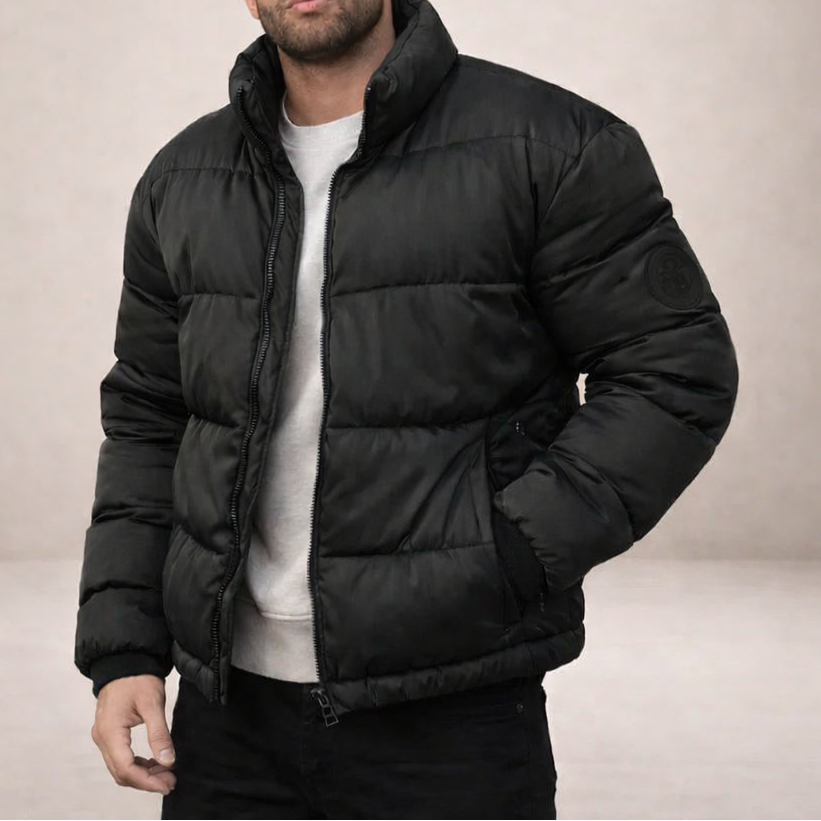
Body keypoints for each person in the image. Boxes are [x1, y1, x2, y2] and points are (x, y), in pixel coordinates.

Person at [74, 0, 739, 818]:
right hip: (226, 718)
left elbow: (674, 370)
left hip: (450, 713)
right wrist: (125, 648)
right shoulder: (182, 177)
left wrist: (509, 554)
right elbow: (148, 418)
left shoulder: (551, 145)